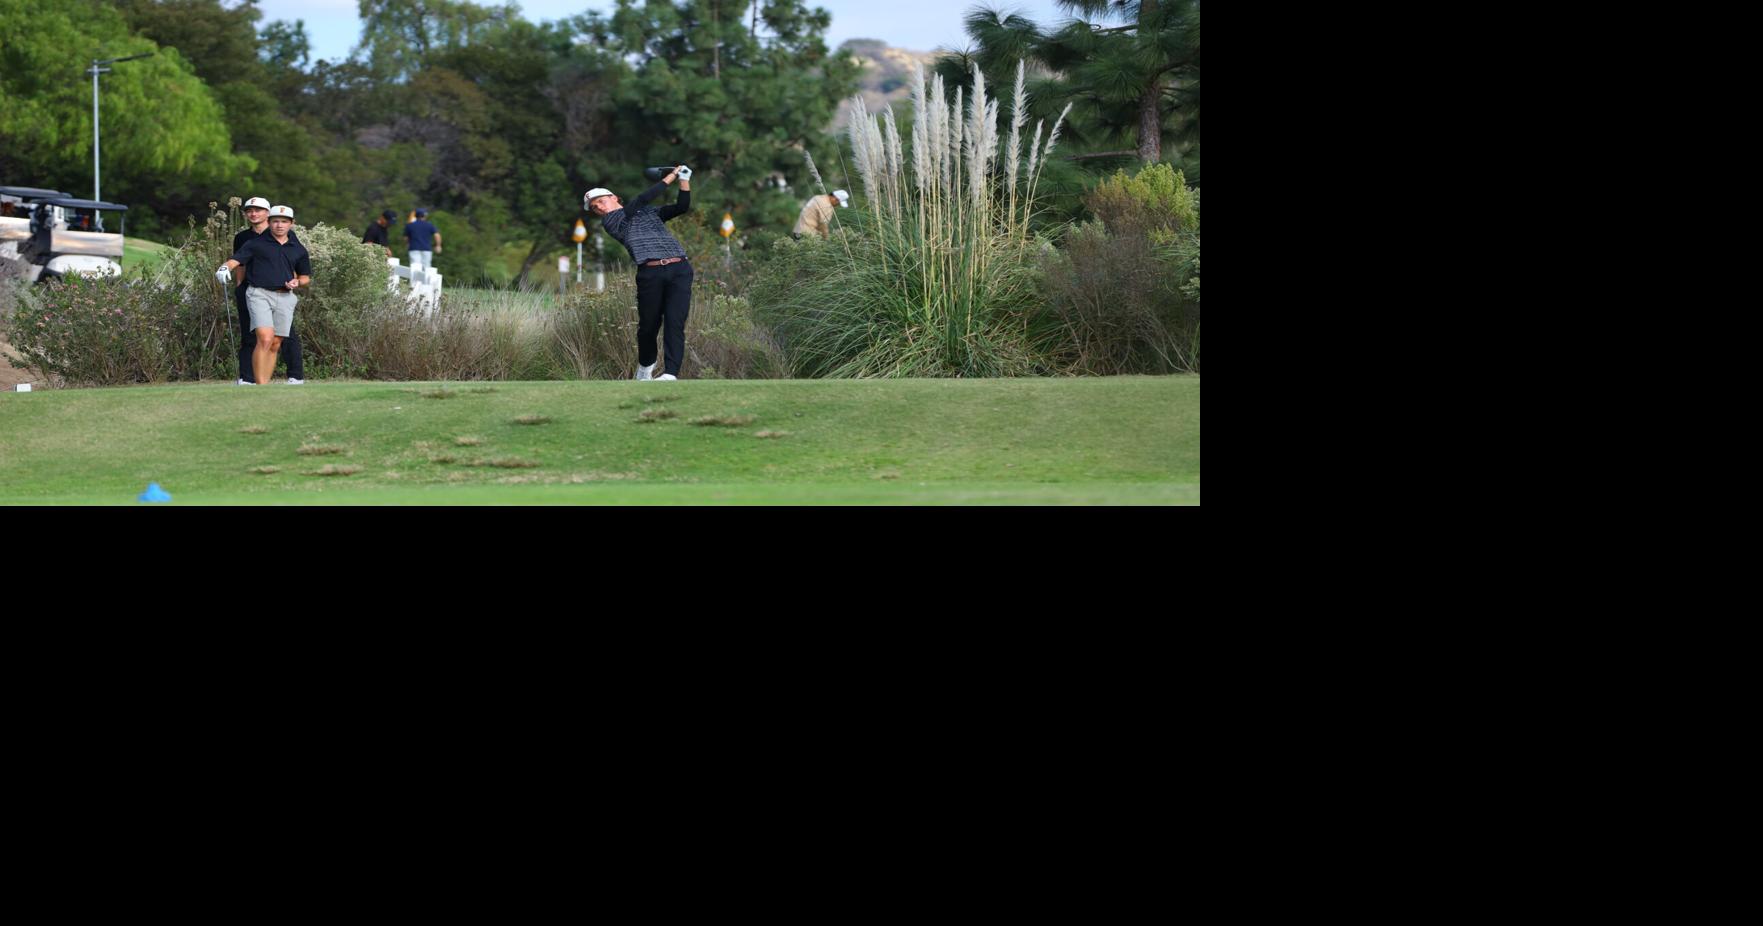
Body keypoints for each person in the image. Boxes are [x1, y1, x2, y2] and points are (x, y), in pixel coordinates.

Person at [585, 165, 693, 381]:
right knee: (648, 326)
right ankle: (645, 367)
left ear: (614, 197)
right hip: (650, 273)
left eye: (601, 201)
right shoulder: (612, 221)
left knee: (675, 322)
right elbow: (641, 199)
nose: (600, 208)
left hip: (679, 268)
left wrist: (684, 180)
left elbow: (681, 207)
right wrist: (670, 176)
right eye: (595, 208)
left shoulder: (649, 212)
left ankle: (670, 374)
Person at [217, 206, 311, 386]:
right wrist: (225, 268)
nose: (279, 225)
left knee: (276, 343)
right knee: (265, 338)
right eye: (275, 221)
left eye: (284, 221)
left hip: (285, 297)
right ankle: (260, 386)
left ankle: (264, 385)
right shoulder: (256, 243)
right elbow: (235, 260)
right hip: (259, 293)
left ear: (291, 224)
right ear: (269, 222)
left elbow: (305, 276)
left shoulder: (298, 248)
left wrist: (298, 282)